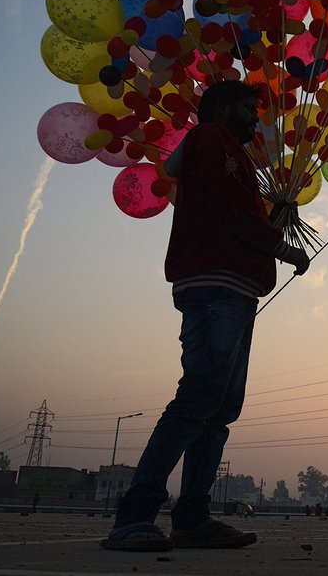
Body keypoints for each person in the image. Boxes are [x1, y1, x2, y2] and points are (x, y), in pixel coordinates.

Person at [101, 80, 310, 552]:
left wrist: (268, 233)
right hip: (215, 286)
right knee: (200, 398)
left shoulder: (232, 157)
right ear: (221, 108)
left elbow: (231, 210)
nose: (255, 118)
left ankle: (192, 517)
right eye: (247, 108)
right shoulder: (212, 140)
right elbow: (229, 207)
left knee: (219, 408)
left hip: (235, 288)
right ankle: (135, 514)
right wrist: (280, 246)